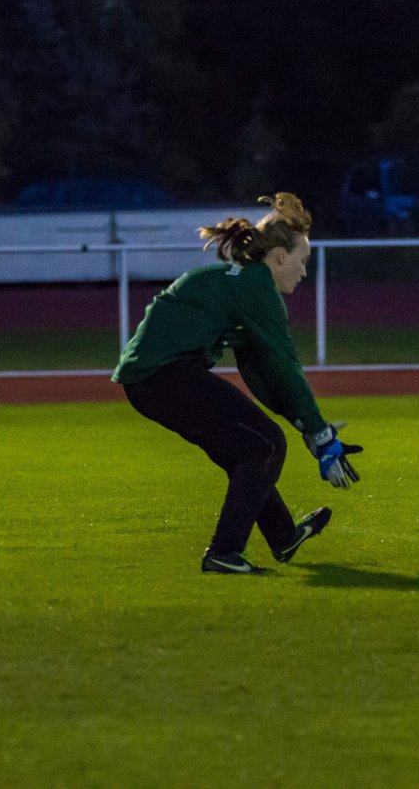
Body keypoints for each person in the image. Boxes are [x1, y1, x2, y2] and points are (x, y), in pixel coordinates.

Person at [112, 192, 363, 574]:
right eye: (302, 260)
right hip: (163, 375)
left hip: (154, 377)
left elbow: (260, 371)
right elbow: (284, 365)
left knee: (248, 448)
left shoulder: (244, 283)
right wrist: (318, 432)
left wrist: (305, 426)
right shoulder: (257, 288)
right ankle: (223, 553)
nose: (304, 271)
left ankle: (282, 537)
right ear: (279, 256)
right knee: (265, 444)